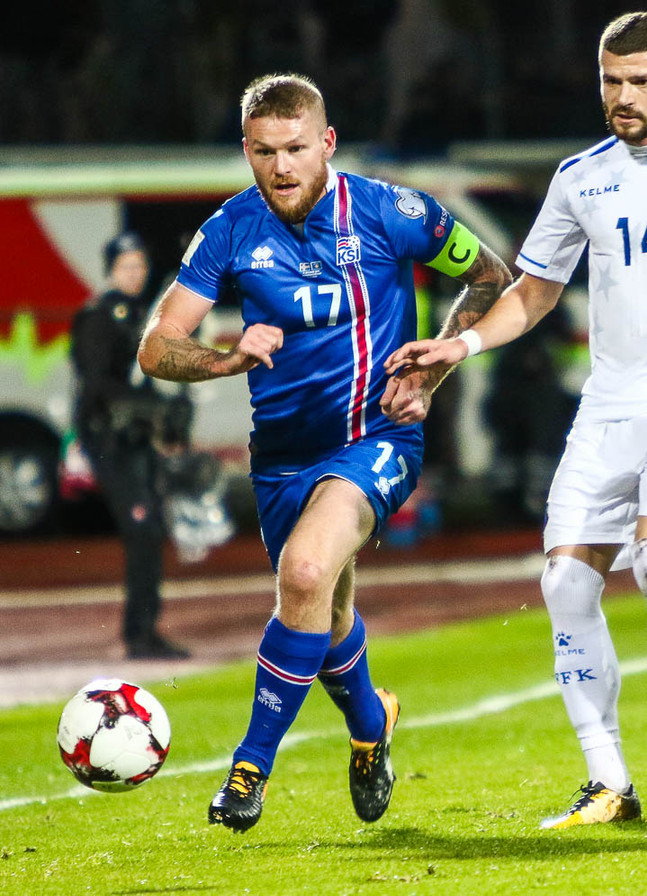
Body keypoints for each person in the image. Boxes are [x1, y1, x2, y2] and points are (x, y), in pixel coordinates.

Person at [385, 11, 647, 827]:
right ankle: (608, 780)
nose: (623, 95)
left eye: (641, 81)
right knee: (564, 582)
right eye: (612, 80)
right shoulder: (581, 177)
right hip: (611, 401)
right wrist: (458, 346)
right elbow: (533, 294)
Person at [137, 73, 511, 833]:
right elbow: (157, 345)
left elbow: (490, 275)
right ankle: (372, 726)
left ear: (327, 143)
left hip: (376, 439)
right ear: (246, 150)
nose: (281, 168)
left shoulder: (390, 211)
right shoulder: (229, 229)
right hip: (280, 457)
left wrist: (433, 371)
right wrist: (226, 359)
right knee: (326, 611)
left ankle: (249, 770)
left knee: (304, 573)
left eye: (296, 149)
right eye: (264, 152)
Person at [70, 232, 193, 660]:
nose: (135, 273)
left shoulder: (141, 313)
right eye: (126, 266)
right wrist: (151, 407)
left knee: (150, 528)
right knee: (142, 528)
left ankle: (145, 630)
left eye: (140, 265)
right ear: (110, 271)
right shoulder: (98, 317)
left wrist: (169, 412)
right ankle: (138, 635)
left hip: (135, 437)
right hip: (110, 439)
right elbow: (97, 384)